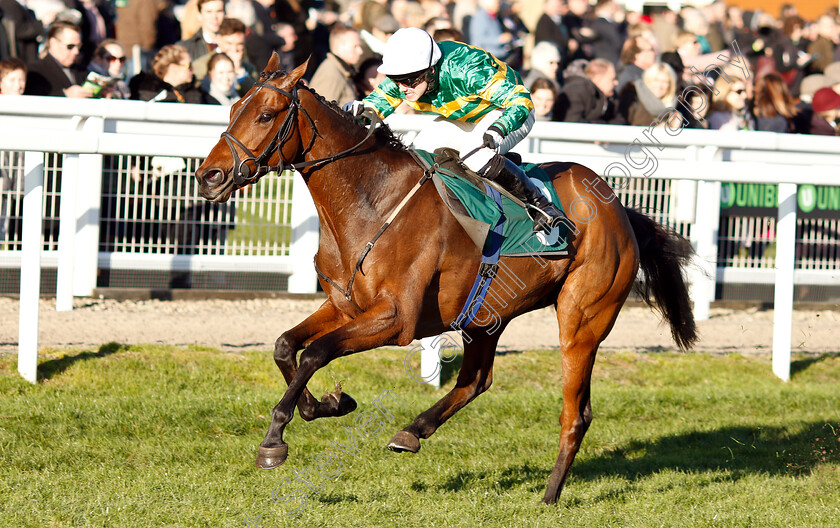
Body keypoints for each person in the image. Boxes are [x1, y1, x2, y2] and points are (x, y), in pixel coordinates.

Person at [356, 27, 563, 234]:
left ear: (432, 69)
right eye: (395, 79)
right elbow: (372, 108)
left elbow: (520, 100)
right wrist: (353, 111)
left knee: (475, 154)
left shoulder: (464, 69)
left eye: (409, 80)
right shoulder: (408, 76)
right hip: (466, 117)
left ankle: (540, 204)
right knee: (418, 155)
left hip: (508, 109)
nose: (402, 88)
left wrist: (500, 127)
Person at [24, 21, 93, 98]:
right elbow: (33, 101)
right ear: (53, 43)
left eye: (79, 46)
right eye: (70, 46)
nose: (76, 51)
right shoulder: (35, 70)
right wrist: (65, 95)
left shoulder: (82, 71)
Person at [129, 44, 216, 103]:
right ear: (173, 67)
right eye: (188, 66)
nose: (192, 69)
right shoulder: (147, 89)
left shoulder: (195, 92)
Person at [193, 17, 257, 96]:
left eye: (239, 44)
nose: (234, 49)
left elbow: (254, 96)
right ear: (218, 39)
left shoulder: (248, 70)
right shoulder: (200, 65)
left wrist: (239, 71)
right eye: (229, 43)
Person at [309, 24, 363, 107]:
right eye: (355, 46)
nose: (360, 51)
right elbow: (321, 112)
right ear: (340, 47)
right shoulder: (330, 73)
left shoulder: (343, 70)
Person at [555, 58, 621, 124]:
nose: (616, 83)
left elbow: (619, 119)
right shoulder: (577, 91)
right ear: (598, 78)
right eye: (612, 79)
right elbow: (572, 123)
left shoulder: (611, 97)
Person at [618, 62, 678, 127]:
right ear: (647, 80)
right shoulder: (633, 97)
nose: (660, 86)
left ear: (670, 85)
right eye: (656, 80)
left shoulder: (674, 107)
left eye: (665, 82)